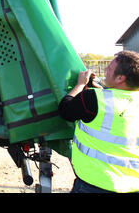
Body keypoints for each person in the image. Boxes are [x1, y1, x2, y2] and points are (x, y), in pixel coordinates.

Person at [59, 50, 139, 193]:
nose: (106, 71)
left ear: (120, 78)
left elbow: (65, 110)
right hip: (133, 186)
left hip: (94, 185)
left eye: (109, 68)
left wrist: (79, 85)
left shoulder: (93, 99)